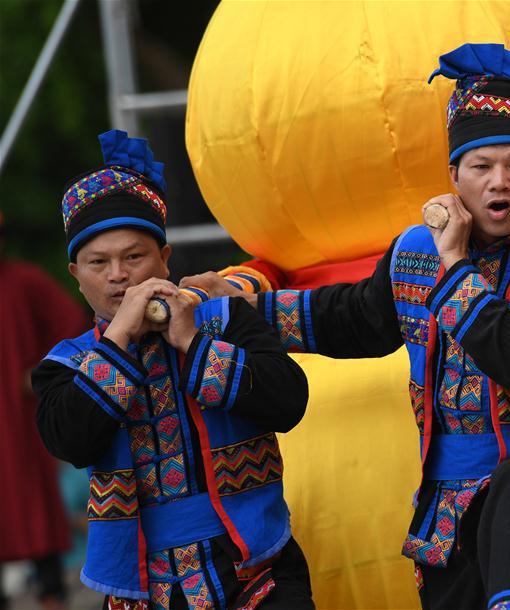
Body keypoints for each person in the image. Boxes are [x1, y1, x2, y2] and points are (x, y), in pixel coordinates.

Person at [183, 43, 510, 610]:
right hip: (448, 510)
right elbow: (352, 321)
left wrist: (456, 265)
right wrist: (234, 310)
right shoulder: (415, 252)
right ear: (453, 177)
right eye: (481, 166)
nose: (499, 183)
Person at [32, 131, 314, 610]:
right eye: (98, 262)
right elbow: (70, 440)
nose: (117, 275)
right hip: (140, 586)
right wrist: (119, 338)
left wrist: (191, 342)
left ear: (164, 258)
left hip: (256, 569)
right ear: (76, 275)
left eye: (134, 256)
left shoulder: (224, 320)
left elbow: (289, 401)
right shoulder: (65, 365)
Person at [0, 211, 87, 610]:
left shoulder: (22, 281)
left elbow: (72, 327)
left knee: (30, 499)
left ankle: (52, 593)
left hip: (16, 420)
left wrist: (42, 372)